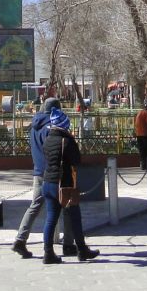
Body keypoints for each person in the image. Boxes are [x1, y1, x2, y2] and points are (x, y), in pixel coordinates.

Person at [11, 98, 74, 258]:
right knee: (67, 205)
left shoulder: (34, 126)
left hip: (38, 171)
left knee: (35, 206)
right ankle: (68, 244)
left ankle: (20, 239)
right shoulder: (52, 127)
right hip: (53, 173)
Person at [40, 108, 99, 264]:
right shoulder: (66, 141)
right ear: (64, 125)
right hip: (63, 184)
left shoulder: (47, 139)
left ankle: (48, 253)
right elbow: (76, 160)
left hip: (47, 182)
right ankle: (82, 249)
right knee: (75, 217)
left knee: (51, 218)